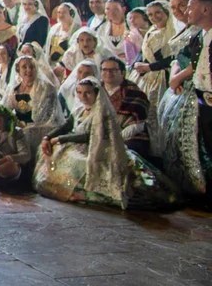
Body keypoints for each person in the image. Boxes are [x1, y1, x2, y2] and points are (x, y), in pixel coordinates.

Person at [36, 78, 178, 209]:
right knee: (53, 152)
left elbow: (90, 135)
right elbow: (67, 125)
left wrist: (61, 139)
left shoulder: (102, 112)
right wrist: (47, 137)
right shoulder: (80, 110)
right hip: (78, 146)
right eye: (79, 92)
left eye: (87, 93)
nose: (83, 96)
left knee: (81, 163)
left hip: (100, 148)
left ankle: (91, 193)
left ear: (96, 93)